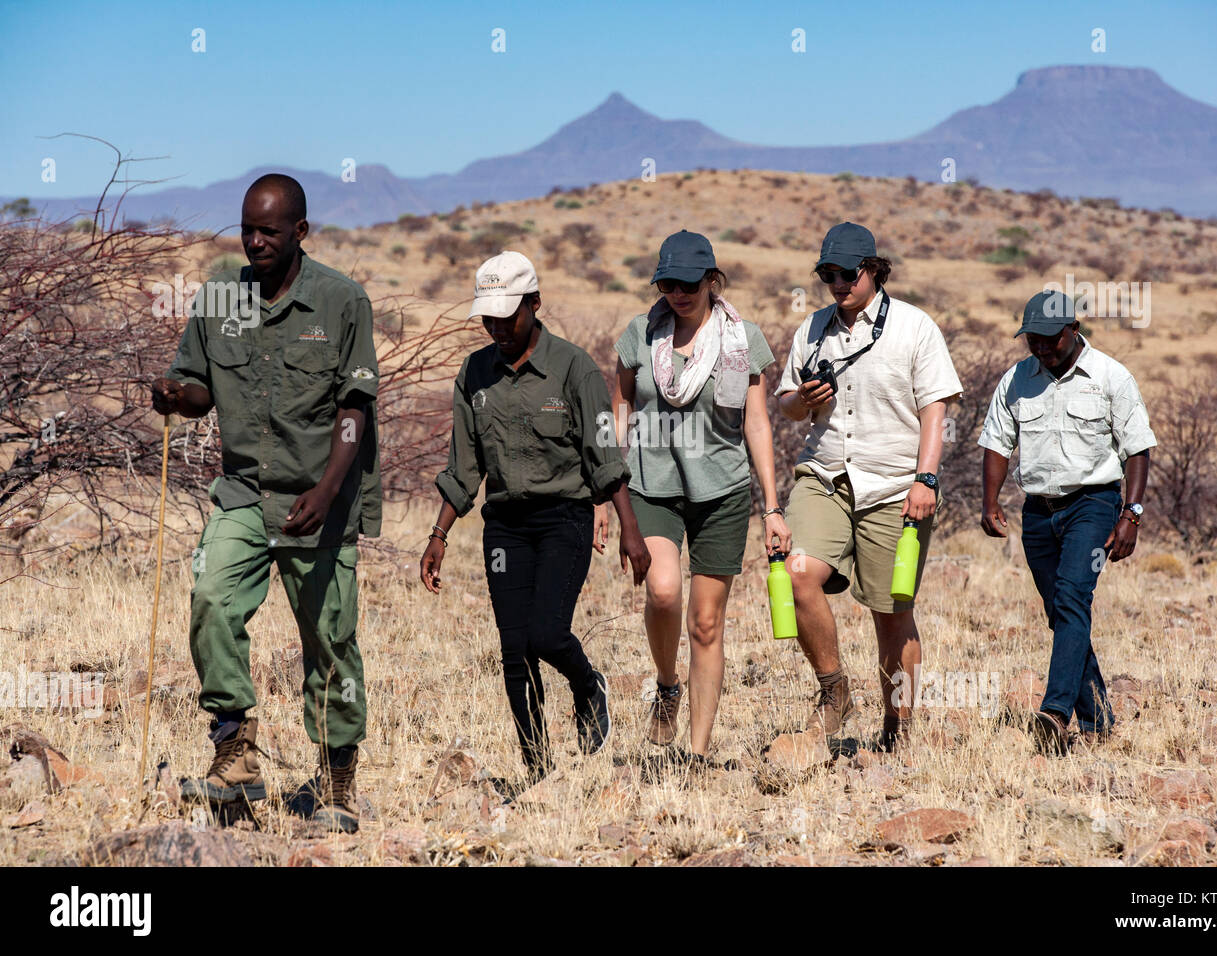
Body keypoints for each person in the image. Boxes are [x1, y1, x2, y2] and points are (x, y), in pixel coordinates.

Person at [152, 173, 381, 833]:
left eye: (269, 231)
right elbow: (197, 390)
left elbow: (353, 410)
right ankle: (234, 753)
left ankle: (338, 781)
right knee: (211, 599)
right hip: (245, 492)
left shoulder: (341, 302)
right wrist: (175, 396)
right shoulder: (222, 298)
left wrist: (330, 487)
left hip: (322, 497)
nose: (254, 241)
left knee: (330, 640)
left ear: (300, 233)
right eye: (247, 228)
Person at [421, 251, 651, 783]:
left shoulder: (574, 369)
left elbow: (604, 456)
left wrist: (630, 529)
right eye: (488, 317)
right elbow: (465, 463)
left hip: (563, 518)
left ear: (535, 304)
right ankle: (538, 771)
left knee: (547, 635)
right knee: (514, 651)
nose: (497, 326)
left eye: (509, 314)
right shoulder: (474, 373)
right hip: (505, 526)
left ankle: (588, 685)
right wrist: (439, 534)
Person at [601, 230, 790, 766]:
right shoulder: (640, 334)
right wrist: (606, 491)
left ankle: (696, 754)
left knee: (706, 622)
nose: (677, 294)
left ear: (712, 280)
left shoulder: (741, 339)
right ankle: (666, 686)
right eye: (666, 283)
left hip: (721, 490)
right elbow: (619, 410)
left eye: (688, 283)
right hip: (651, 483)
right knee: (662, 592)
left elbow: (756, 422)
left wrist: (773, 507)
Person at [775, 222, 962, 751]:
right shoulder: (811, 329)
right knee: (798, 575)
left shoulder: (914, 327)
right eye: (827, 274)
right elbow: (786, 406)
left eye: (846, 273)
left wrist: (925, 479)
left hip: (896, 482)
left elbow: (934, 407)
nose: (837, 283)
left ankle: (897, 729)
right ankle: (836, 691)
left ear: (874, 270)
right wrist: (802, 400)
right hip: (826, 474)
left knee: (891, 612)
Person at [978, 291, 1155, 755]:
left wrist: (1131, 514)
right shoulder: (1017, 378)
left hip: (1093, 504)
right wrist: (989, 500)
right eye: (1031, 340)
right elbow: (997, 440)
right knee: (1061, 612)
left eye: (1048, 339)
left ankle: (1055, 713)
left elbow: (1137, 447)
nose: (1039, 348)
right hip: (1037, 510)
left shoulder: (1111, 376)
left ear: (1072, 330)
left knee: (1074, 597)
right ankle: (1097, 721)